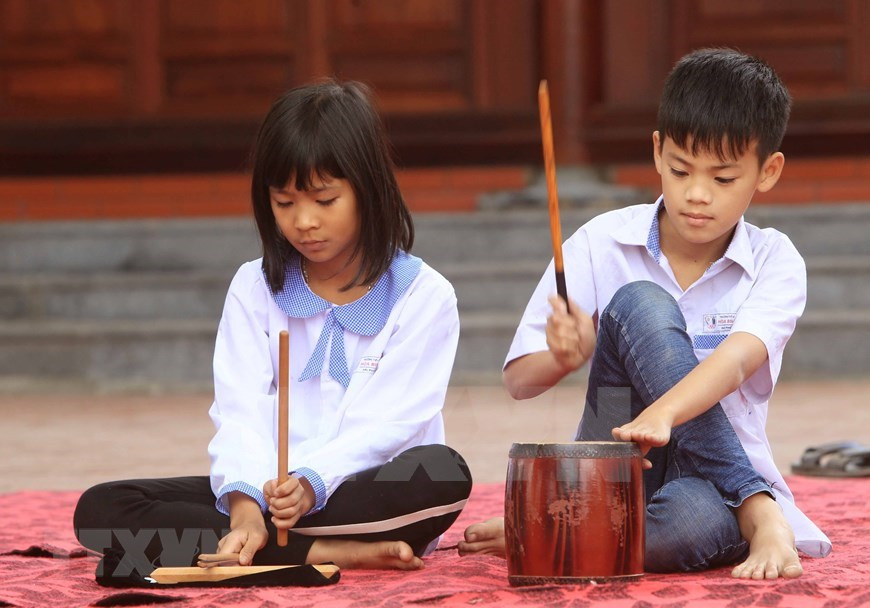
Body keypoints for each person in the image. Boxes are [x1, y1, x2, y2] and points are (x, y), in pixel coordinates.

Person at [458, 48, 831, 579]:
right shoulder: (600, 242)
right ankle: (760, 510)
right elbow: (519, 382)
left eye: (723, 179)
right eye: (680, 170)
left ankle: (550, 533)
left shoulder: (776, 258)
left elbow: (736, 362)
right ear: (658, 152)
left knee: (687, 530)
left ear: (767, 172)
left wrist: (667, 411)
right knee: (639, 301)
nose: (697, 194)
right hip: (612, 466)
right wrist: (566, 357)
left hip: (710, 485)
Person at [74, 80, 472, 576]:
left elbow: (391, 424)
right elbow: (239, 410)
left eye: (324, 201)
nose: (303, 222)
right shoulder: (253, 287)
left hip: (361, 491)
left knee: (443, 473)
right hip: (264, 494)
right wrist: (244, 506)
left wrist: (310, 483)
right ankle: (324, 551)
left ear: (368, 189)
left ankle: (263, 543)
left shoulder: (424, 295)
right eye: (284, 203)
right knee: (101, 508)